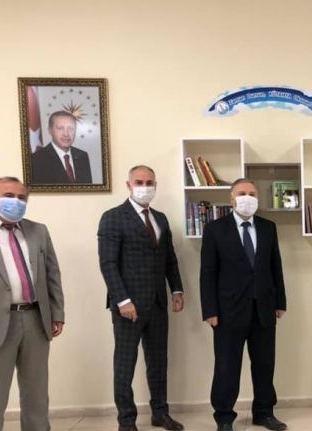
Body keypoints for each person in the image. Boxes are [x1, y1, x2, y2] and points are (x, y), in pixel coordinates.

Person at [0, 176, 65, 431]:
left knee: (37, 393)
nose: (16, 201)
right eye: (9, 196)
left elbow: (52, 274)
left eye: (22, 197)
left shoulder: (39, 231)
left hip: (36, 320)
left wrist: (57, 312)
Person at [98, 165, 185, 431]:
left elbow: (169, 258)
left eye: (149, 182)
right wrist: (122, 300)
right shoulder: (113, 217)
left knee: (158, 362)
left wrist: (177, 289)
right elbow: (108, 264)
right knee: (125, 364)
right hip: (129, 306)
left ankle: (160, 413)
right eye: (139, 182)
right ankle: (126, 420)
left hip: (158, 303)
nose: (144, 187)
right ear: (129, 185)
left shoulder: (160, 218)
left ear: (155, 186)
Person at [200, 178, 287, 431]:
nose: (247, 198)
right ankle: (224, 417)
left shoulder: (268, 227)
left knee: (264, 365)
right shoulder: (215, 229)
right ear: (231, 198)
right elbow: (207, 273)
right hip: (227, 312)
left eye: (252, 193)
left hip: (264, 309)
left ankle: (264, 413)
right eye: (241, 193)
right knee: (227, 367)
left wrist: (280, 302)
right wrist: (210, 310)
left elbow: (275, 267)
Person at [30, 111, 92, 184]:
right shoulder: (36, 160)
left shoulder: (82, 156)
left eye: (71, 128)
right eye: (60, 128)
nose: (66, 134)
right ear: (50, 130)